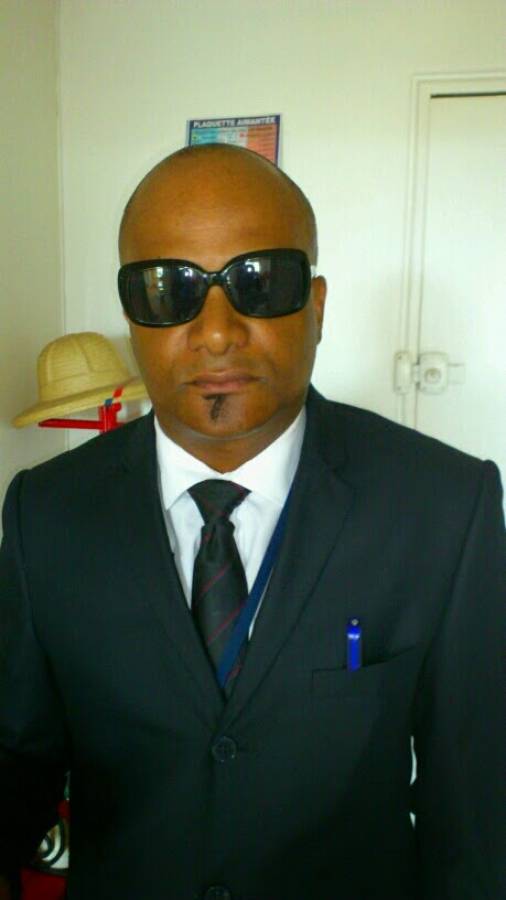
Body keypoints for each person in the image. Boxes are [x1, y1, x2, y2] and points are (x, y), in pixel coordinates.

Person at [0, 144, 505, 900]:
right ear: (132, 317)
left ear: (318, 306)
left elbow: (475, 814)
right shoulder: (46, 513)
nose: (216, 331)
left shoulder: (444, 506)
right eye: (169, 289)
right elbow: (19, 764)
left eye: (259, 282)